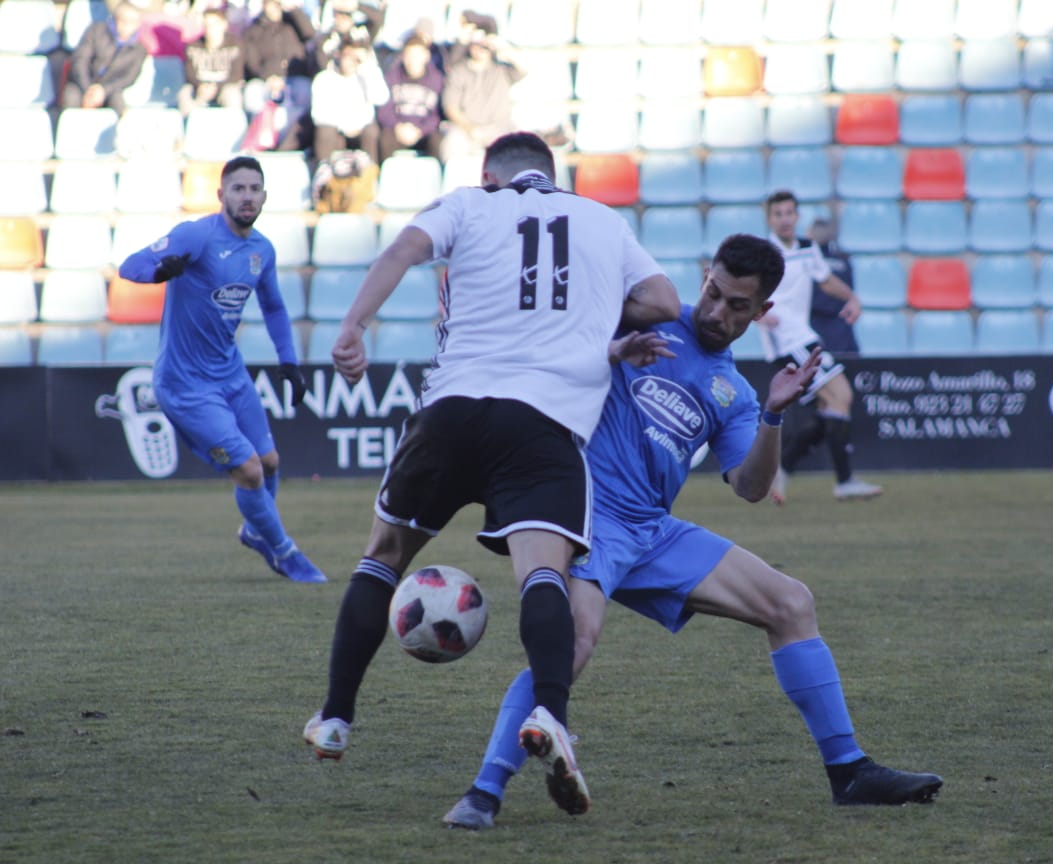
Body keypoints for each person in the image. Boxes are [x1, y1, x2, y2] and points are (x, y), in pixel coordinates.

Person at [439, 234, 943, 829]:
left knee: (791, 603)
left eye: (736, 307)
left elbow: (751, 487)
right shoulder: (641, 317)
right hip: (585, 514)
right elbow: (550, 349)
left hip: (650, 530)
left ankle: (850, 772)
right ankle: (483, 792)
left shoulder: (735, 392)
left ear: (762, 314)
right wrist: (613, 350)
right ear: (704, 276)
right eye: (713, 293)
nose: (716, 312)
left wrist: (775, 415)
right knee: (570, 645)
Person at [301, 132, 681, 813]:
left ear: (491, 176)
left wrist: (354, 325)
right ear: (553, 175)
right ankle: (551, 717)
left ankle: (334, 718)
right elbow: (664, 301)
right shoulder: (601, 220)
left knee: (382, 559)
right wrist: (593, 319)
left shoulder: (469, 205)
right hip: (541, 425)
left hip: (451, 413)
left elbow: (404, 250)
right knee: (543, 576)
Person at [118, 156, 326, 585]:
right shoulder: (196, 235)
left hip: (231, 375)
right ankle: (285, 552)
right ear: (221, 195)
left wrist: (289, 362)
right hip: (184, 385)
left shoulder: (261, 250)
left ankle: (256, 531)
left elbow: (272, 305)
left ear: (264, 196)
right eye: (238, 188)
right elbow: (129, 266)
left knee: (269, 461)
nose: (247, 196)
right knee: (248, 470)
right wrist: (159, 271)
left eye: (254, 189)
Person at [758, 191, 881, 504]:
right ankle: (844, 481)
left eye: (789, 213)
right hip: (787, 341)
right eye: (778, 214)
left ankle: (781, 470)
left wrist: (851, 298)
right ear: (769, 219)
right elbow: (743, 288)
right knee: (841, 396)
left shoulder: (807, 248)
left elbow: (825, 280)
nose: (785, 219)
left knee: (828, 410)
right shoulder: (763, 252)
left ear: (797, 217)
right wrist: (757, 310)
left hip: (804, 336)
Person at [438, 15, 525, 163]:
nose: (481, 49)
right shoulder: (458, 71)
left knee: (520, 146)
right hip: (466, 130)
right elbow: (450, 107)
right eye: (477, 44)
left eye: (484, 45)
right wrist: (470, 128)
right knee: (451, 144)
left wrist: (500, 44)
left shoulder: (502, 70)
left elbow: (525, 67)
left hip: (500, 128)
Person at [242, 0, 316, 151]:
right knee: (252, 93)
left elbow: (310, 33)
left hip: (293, 77)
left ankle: (296, 142)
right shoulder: (254, 29)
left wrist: (292, 9)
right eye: (272, 3)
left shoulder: (293, 24)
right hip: (265, 79)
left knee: (305, 91)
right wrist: (268, 77)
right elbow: (251, 60)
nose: (276, 7)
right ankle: (258, 141)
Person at [62, 0, 148, 117]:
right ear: (116, 18)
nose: (126, 25)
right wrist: (88, 90)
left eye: (132, 22)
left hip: (109, 90)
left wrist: (103, 90)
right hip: (82, 84)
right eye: (123, 20)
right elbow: (80, 61)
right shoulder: (96, 31)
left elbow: (129, 77)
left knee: (119, 104)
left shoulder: (139, 49)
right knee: (70, 98)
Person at [311, 40, 390, 165]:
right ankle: (324, 176)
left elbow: (381, 99)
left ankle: (370, 176)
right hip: (336, 131)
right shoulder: (324, 78)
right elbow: (318, 114)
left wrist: (366, 69)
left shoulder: (367, 76)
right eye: (349, 56)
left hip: (361, 130)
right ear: (340, 55)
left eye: (357, 58)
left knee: (372, 132)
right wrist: (344, 126)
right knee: (324, 133)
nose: (352, 62)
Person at [376, 34, 444, 162]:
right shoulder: (392, 77)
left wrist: (420, 130)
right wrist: (398, 127)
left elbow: (437, 115)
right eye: (409, 56)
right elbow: (384, 110)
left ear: (426, 56)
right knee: (385, 138)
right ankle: (384, 176)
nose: (412, 61)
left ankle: (434, 177)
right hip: (398, 130)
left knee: (437, 140)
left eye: (417, 55)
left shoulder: (437, 80)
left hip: (422, 132)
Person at [177, 6, 245, 117]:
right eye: (206, 25)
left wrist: (216, 87)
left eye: (214, 24)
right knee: (184, 93)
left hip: (224, 87)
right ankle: (186, 128)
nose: (209, 29)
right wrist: (200, 86)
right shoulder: (193, 46)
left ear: (224, 25)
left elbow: (236, 74)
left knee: (232, 94)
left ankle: (233, 130)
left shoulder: (235, 45)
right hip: (199, 87)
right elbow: (189, 73)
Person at [806, 218, 860, 357]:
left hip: (814, 324)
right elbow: (850, 290)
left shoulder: (808, 260)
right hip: (839, 326)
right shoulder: (843, 259)